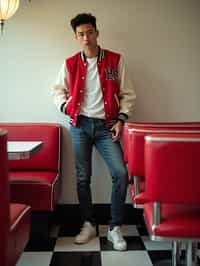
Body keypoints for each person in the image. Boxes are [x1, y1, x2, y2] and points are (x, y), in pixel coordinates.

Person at [52, 13, 136, 251]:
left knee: (120, 173)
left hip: (106, 126)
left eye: (90, 32)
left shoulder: (115, 60)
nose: (86, 37)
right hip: (79, 126)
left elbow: (128, 93)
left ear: (97, 33)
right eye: (81, 34)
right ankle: (88, 223)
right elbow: (57, 91)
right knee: (82, 177)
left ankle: (115, 227)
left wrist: (121, 119)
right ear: (75, 37)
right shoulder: (69, 63)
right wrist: (64, 106)